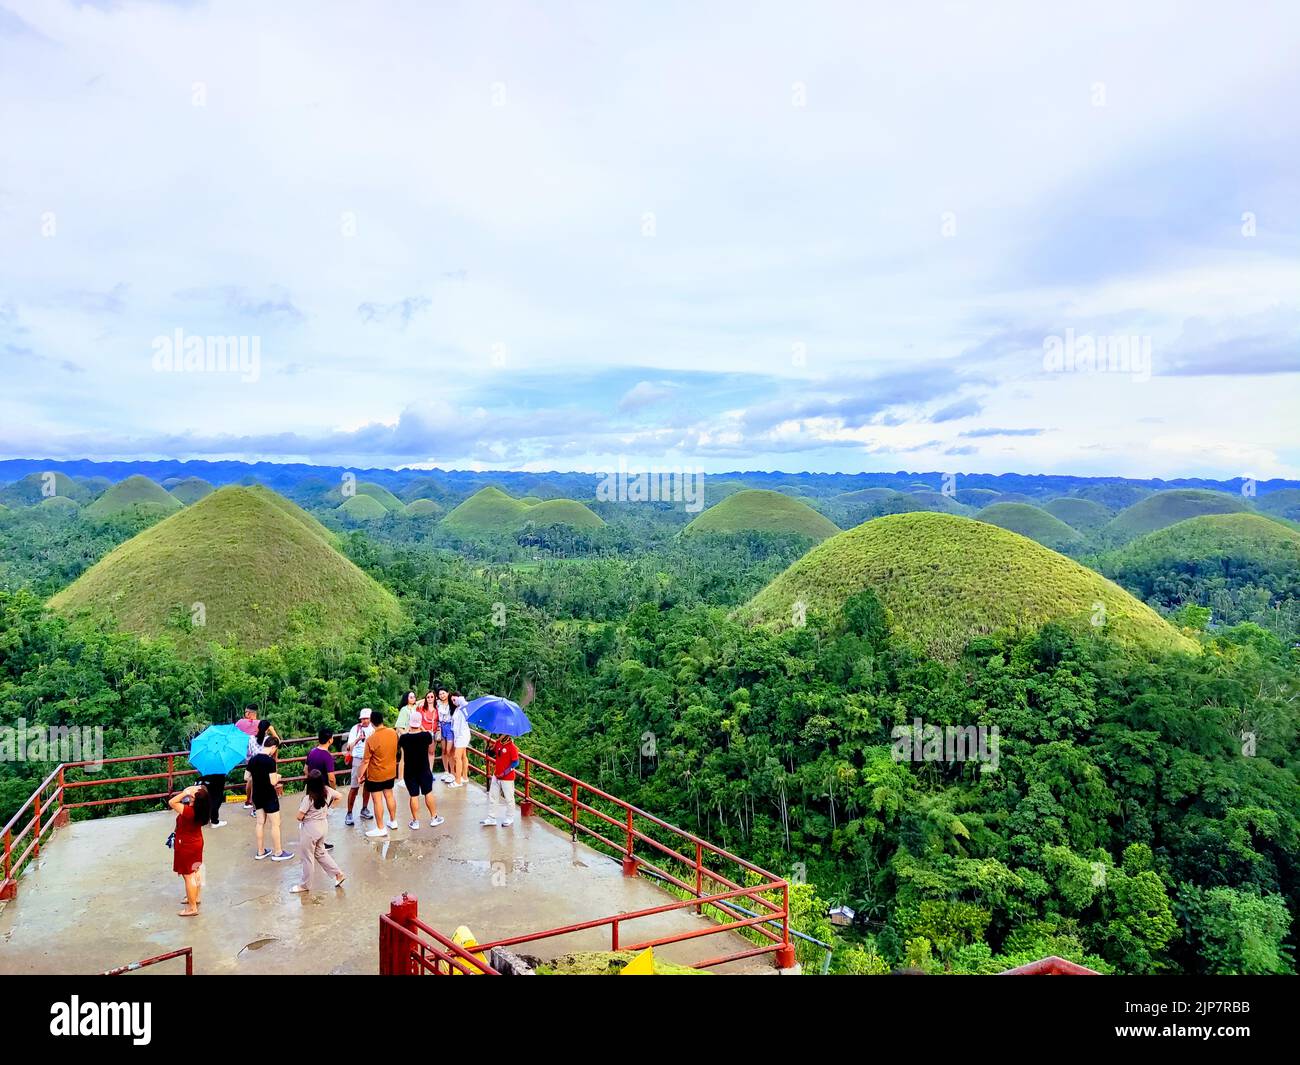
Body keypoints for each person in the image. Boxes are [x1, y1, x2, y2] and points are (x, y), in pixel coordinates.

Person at [292, 770, 346, 893]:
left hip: (310, 829)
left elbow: (299, 817)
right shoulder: (327, 791)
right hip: (323, 826)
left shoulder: (308, 798)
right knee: (320, 852)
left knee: (307, 857)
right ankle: (338, 874)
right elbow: (339, 796)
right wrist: (329, 809)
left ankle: (305, 885)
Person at [169, 782, 211, 917]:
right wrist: (192, 792)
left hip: (186, 845)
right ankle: (195, 897)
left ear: (196, 800)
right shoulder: (202, 811)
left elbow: (172, 802)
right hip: (197, 842)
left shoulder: (189, 812)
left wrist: (185, 792)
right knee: (196, 869)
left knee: (188, 875)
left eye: (192, 797)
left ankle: (192, 907)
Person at [248, 738, 293, 861]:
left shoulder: (253, 759)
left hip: (256, 795)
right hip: (269, 795)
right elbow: (273, 781)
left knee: (260, 823)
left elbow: (246, 777)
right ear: (273, 747)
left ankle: (261, 851)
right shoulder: (270, 761)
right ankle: (278, 852)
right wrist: (278, 777)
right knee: (275, 824)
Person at [358, 709, 400, 838]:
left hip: (376, 774)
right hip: (390, 771)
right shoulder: (393, 733)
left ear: (372, 722)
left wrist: (360, 775)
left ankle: (380, 827)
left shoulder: (371, 739)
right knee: (389, 796)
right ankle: (393, 821)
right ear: (382, 720)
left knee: (377, 801)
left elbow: (365, 761)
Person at [399, 714, 443, 829]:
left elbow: (402, 742)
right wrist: (422, 727)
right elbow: (430, 741)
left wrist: (408, 729)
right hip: (424, 769)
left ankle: (415, 821)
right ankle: (434, 818)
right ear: (420, 722)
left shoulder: (404, 738)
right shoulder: (425, 736)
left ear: (410, 722)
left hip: (409, 771)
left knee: (413, 795)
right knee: (428, 792)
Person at [343, 708, 374, 826]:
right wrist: (357, 739)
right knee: (354, 786)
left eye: (367, 718)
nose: (365, 721)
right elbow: (348, 747)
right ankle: (349, 812)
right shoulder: (355, 729)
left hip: (370, 759)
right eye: (363, 719)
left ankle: (364, 808)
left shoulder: (373, 729)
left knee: (368, 785)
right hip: (358, 759)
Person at [481, 733, 519, 827]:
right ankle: (491, 818)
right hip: (496, 774)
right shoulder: (498, 742)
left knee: (509, 798)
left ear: (506, 734)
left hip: (507, 778)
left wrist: (505, 772)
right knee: (493, 796)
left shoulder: (512, 747)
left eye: (501, 733)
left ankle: (510, 817)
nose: (499, 734)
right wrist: (489, 750)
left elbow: (515, 763)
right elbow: (493, 753)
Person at [244, 718, 280, 811]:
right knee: (266, 785)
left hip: (253, 762)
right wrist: (272, 730)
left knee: (253, 784)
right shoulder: (268, 739)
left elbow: (250, 751)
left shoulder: (251, 738)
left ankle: (252, 805)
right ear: (267, 729)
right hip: (265, 764)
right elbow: (277, 742)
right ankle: (267, 807)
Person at [394, 692, 417, 789]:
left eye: (414, 697)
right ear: (406, 699)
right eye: (410, 697)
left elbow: (423, 701)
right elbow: (399, 726)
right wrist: (405, 736)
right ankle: (401, 778)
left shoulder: (416, 708)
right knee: (404, 757)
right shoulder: (404, 709)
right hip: (406, 736)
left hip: (415, 736)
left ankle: (412, 777)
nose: (413, 698)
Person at [450, 693, 470, 788]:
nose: (454, 702)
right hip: (458, 735)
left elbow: (464, 702)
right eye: (452, 700)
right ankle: (464, 777)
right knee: (463, 756)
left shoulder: (463, 706)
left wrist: (458, 699)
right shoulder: (457, 709)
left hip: (463, 735)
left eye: (455, 700)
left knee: (457, 757)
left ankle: (458, 781)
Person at [436, 687, 455, 783]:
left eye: (443, 693)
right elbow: (426, 700)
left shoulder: (452, 703)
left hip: (450, 727)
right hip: (441, 726)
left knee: (449, 750)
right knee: (443, 750)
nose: (442, 695)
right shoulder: (438, 704)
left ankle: (452, 773)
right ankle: (446, 771)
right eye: (440, 694)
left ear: (448, 693)